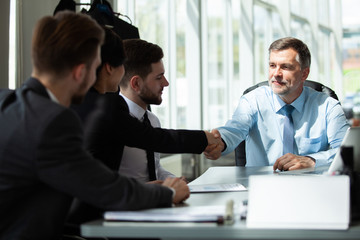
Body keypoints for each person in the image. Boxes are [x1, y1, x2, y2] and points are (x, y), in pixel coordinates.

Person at [0, 11, 190, 240]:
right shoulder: (54, 122)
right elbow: (105, 188)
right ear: (81, 72)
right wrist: (168, 192)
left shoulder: (6, 102)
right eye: (95, 68)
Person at [67, 27, 221, 229]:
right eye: (159, 77)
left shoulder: (75, 102)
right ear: (108, 68)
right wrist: (205, 138)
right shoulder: (108, 106)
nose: (166, 83)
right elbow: (154, 138)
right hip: (94, 219)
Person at [205, 37, 349, 171]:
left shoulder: (328, 106)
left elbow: (347, 151)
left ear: (304, 74)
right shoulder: (253, 101)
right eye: (272, 65)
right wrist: (220, 142)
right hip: (260, 187)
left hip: (310, 188)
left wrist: (312, 160)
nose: (276, 74)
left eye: (285, 67)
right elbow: (234, 129)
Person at [119, 39, 180, 182]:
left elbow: (154, 168)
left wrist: (173, 180)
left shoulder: (152, 120)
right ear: (136, 83)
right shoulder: (114, 123)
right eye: (159, 77)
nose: (166, 83)